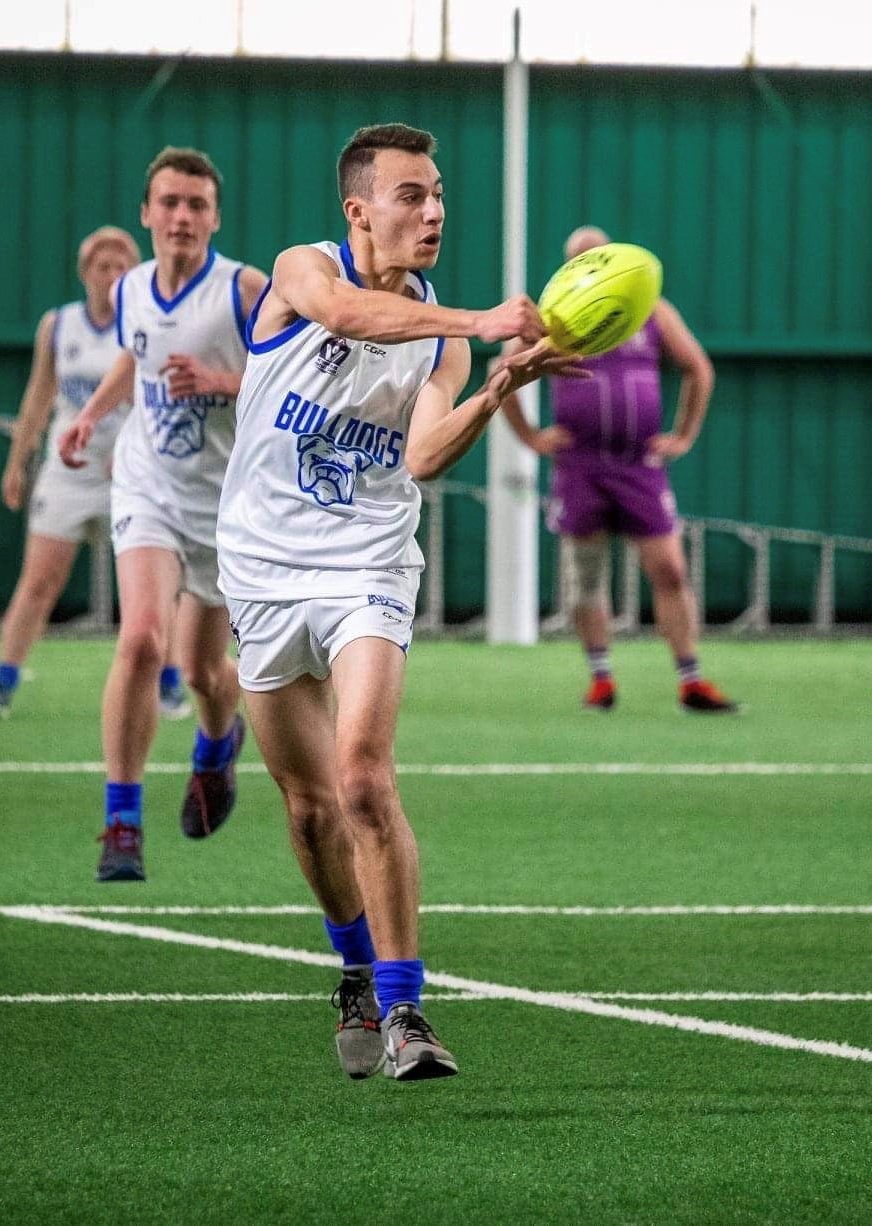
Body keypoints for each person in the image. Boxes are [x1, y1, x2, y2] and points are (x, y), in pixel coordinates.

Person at [216, 122, 585, 1081]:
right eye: (411, 196)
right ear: (359, 210)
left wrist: (499, 380)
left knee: (364, 778)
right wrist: (480, 324)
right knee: (306, 811)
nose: (432, 213)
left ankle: (405, 1010)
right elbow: (344, 316)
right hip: (260, 568)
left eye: (437, 196)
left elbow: (422, 456)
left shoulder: (439, 345)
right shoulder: (301, 270)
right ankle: (350, 969)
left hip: (368, 564)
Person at [59, 146, 267, 882]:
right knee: (143, 638)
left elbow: (295, 378)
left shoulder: (245, 291)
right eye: (169, 203)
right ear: (147, 212)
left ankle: (217, 745)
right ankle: (121, 821)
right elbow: (133, 358)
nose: (182, 217)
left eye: (196, 205)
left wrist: (220, 379)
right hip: (147, 484)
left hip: (224, 502)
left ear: (214, 216)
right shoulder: (134, 289)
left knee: (206, 670)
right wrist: (89, 416)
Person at [501, 225, 738, 714]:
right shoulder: (552, 317)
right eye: (581, 260)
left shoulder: (649, 309)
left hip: (638, 465)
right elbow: (500, 374)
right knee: (586, 577)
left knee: (670, 570)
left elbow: (698, 367)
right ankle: (601, 678)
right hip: (580, 466)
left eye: (599, 257)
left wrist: (684, 434)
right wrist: (530, 437)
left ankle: (691, 679)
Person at [0, 226, 141, 718]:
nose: (109, 276)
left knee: (148, 585)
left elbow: (155, 400)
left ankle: (168, 681)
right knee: (39, 581)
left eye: (119, 267)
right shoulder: (60, 325)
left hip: (126, 473)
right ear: (84, 273)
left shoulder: (143, 322)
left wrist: (135, 448)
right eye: (100, 267)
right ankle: (3, 683)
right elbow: (38, 396)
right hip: (67, 472)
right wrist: (17, 460)